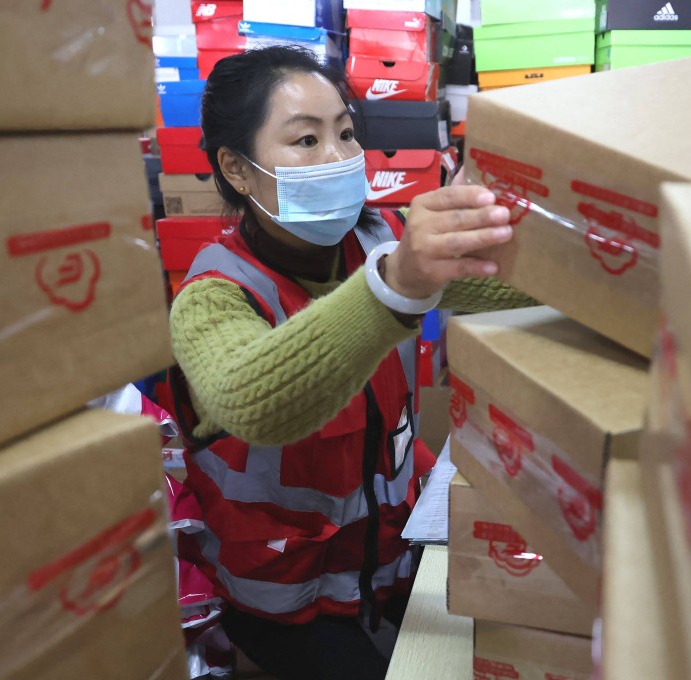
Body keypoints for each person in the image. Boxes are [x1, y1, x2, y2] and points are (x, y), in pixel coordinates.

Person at [170, 45, 534, 680]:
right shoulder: (213, 296)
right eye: (305, 141)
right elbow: (254, 400)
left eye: (344, 132)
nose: (339, 157)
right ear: (237, 168)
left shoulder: (377, 243)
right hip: (283, 596)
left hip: (383, 557)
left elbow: (524, 288)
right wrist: (393, 286)